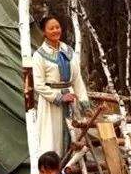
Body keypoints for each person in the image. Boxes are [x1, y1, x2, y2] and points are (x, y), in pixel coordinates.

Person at [32, 16, 90, 158]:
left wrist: (83, 101)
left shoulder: (68, 51)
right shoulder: (39, 55)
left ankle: (72, 171)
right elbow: (38, 84)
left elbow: (77, 79)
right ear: (44, 32)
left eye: (57, 27)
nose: (55, 30)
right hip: (51, 105)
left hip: (71, 100)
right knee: (52, 137)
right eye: (51, 28)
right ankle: (52, 172)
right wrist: (59, 97)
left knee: (75, 136)